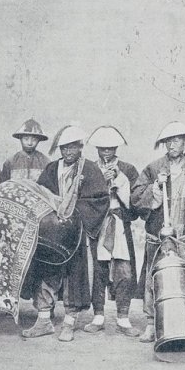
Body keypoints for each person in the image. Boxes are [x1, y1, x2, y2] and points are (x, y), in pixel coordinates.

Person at [22, 125, 109, 341]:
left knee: (74, 277)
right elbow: (40, 195)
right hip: (52, 233)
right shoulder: (52, 169)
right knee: (46, 272)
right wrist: (52, 212)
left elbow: (99, 200)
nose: (68, 152)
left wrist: (72, 212)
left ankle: (69, 323)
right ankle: (43, 320)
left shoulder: (90, 170)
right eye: (64, 148)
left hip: (77, 234)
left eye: (72, 147)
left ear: (80, 147)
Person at [131, 121, 185, 343]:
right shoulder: (154, 168)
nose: (172, 145)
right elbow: (136, 198)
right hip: (158, 237)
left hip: (184, 238)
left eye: (176, 140)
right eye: (168, 141)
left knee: (184, 279)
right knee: (153, 279)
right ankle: (151, 324)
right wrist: (155, 186)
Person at [84, 125, 141, 337]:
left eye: (110, 148)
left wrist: (118, 180)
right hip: (97, 224)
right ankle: (98, 316)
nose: (106, 152)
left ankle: (123, 318)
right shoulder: (89, 169)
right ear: (97, 149)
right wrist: (100, 181)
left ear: (116, 148)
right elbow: (84, 197)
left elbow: (135, 203)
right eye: (102, 148)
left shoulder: (129, 170)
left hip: (119, 224)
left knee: (124, 270)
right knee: (98, 270)